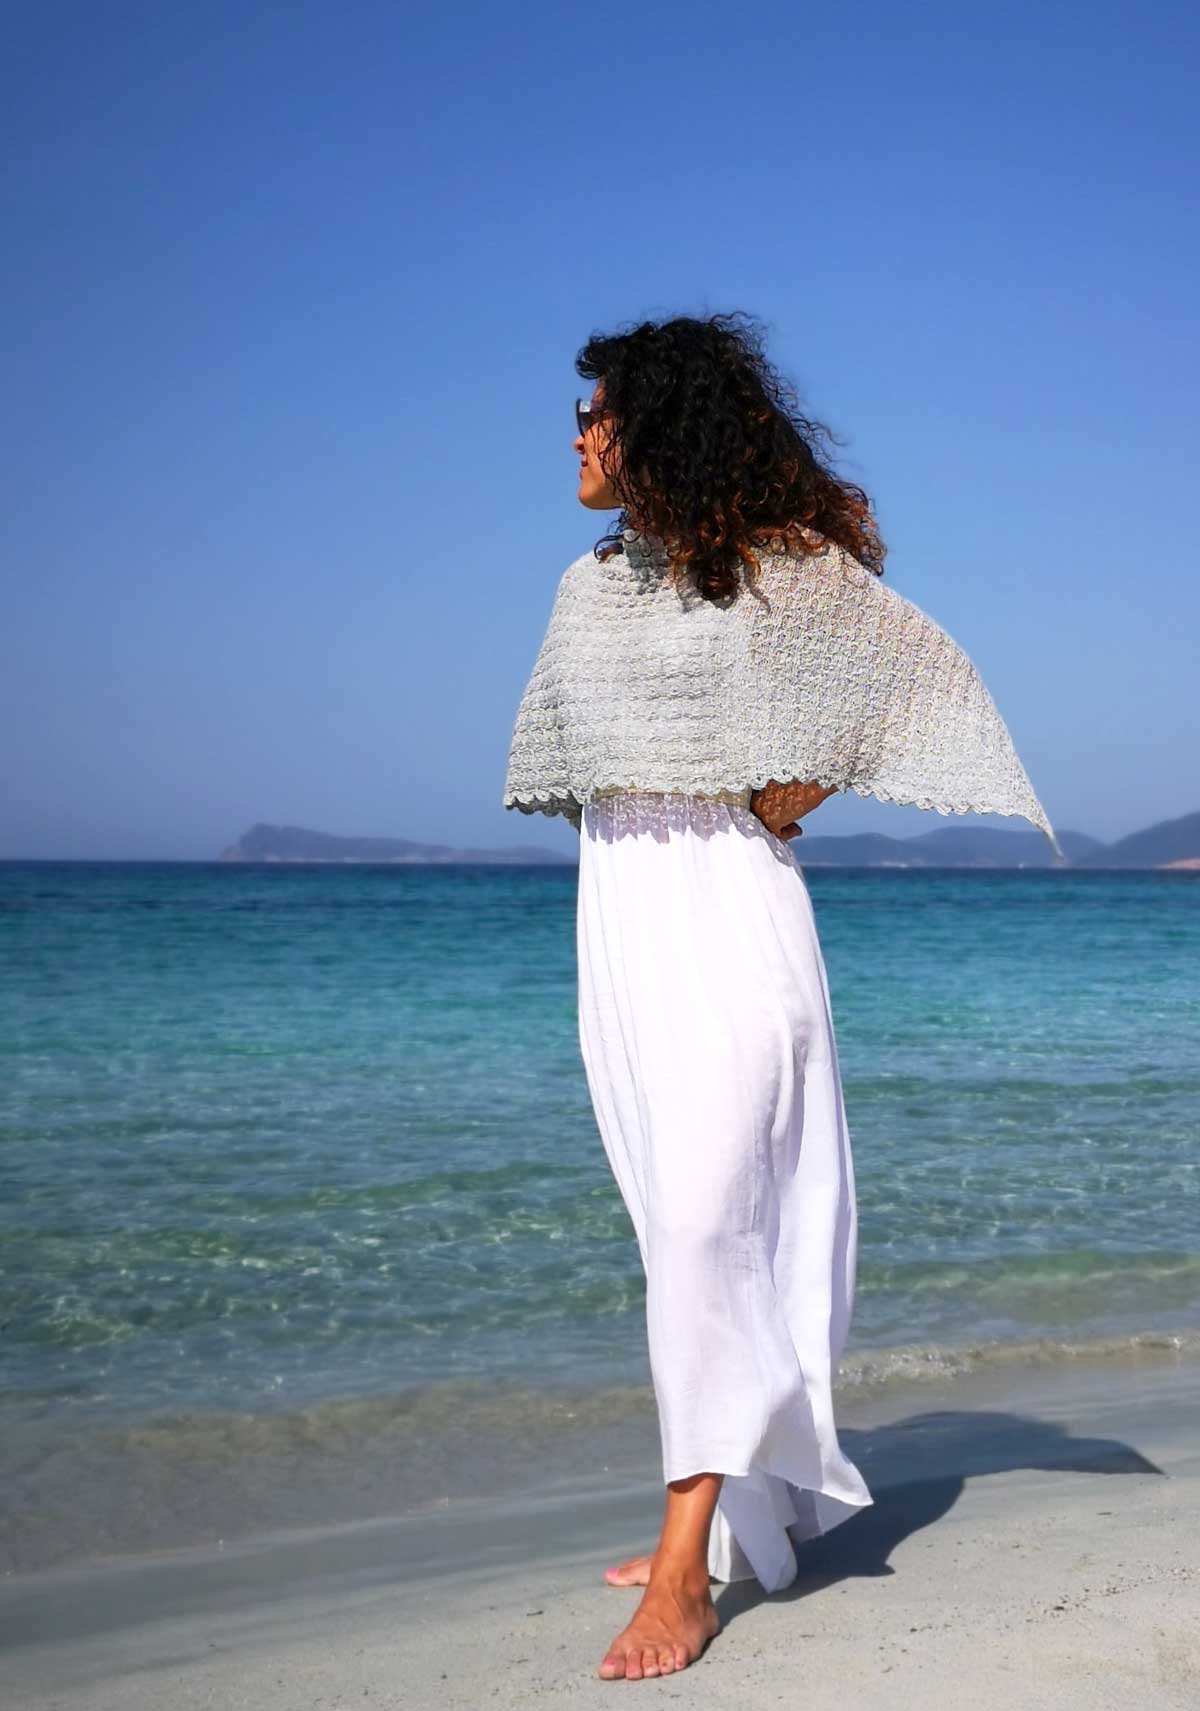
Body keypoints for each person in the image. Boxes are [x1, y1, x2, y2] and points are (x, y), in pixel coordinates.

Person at [501, 312, 1061, 1682]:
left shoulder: (778, 567)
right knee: (680, 1227)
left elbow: (892, 677)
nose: (575, 438)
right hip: (622, 923)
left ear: (659, 425)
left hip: (733, 909)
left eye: (595, 413)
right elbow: (586, 764)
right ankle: (742, 1512)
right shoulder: (585, 586)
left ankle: (682, 1571)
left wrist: (786, 793)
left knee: (710, 1221)